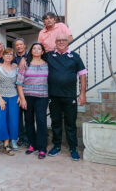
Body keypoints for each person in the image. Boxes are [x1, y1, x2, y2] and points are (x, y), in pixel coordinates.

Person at [46, 33, 86, 161]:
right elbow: (34, 56)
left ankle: (73, 148)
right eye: (59, 40)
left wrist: (82, 93)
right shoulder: (49, 56)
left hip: (70, 96)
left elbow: (82, 75)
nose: (61, 42)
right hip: (54, 96)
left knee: (70, 123)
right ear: (55, 43)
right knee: (56, 122)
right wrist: (24, 59)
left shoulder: (75, 57)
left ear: (67, 42)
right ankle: (56, 146)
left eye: (64, 40)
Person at [16, 43, 49, 159]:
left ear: (42, 52)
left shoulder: (47, 64)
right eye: (34, 48)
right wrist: (23, 99)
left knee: (41, 121)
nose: (36, 50)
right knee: (29, 121)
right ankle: (32, 144)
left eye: (39, 48)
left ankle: (42, 147)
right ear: (31, 51)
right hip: (28, 97)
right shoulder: (25, 64)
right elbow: (19, 83)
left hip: (42, 97)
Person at [0, 48, 19, 159]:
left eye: (10, 54)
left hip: (13, 97)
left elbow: (19, 83)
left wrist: (20, 96)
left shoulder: (15, 68)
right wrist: (0, 99)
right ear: (2, 55)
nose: (8, 56)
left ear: (13, 56)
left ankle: (6, 145)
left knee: (11, 121)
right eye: (6, 54)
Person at [13, 38, 28, 149]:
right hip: (14, 91)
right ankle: (21, 137)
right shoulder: (12, 59)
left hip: (27, 91)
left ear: (25, 46)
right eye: (17, 45)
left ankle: (28, 138)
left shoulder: (30, 58)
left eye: (21, 44)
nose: (19, 46)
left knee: (28, 116)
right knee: (18, 117)